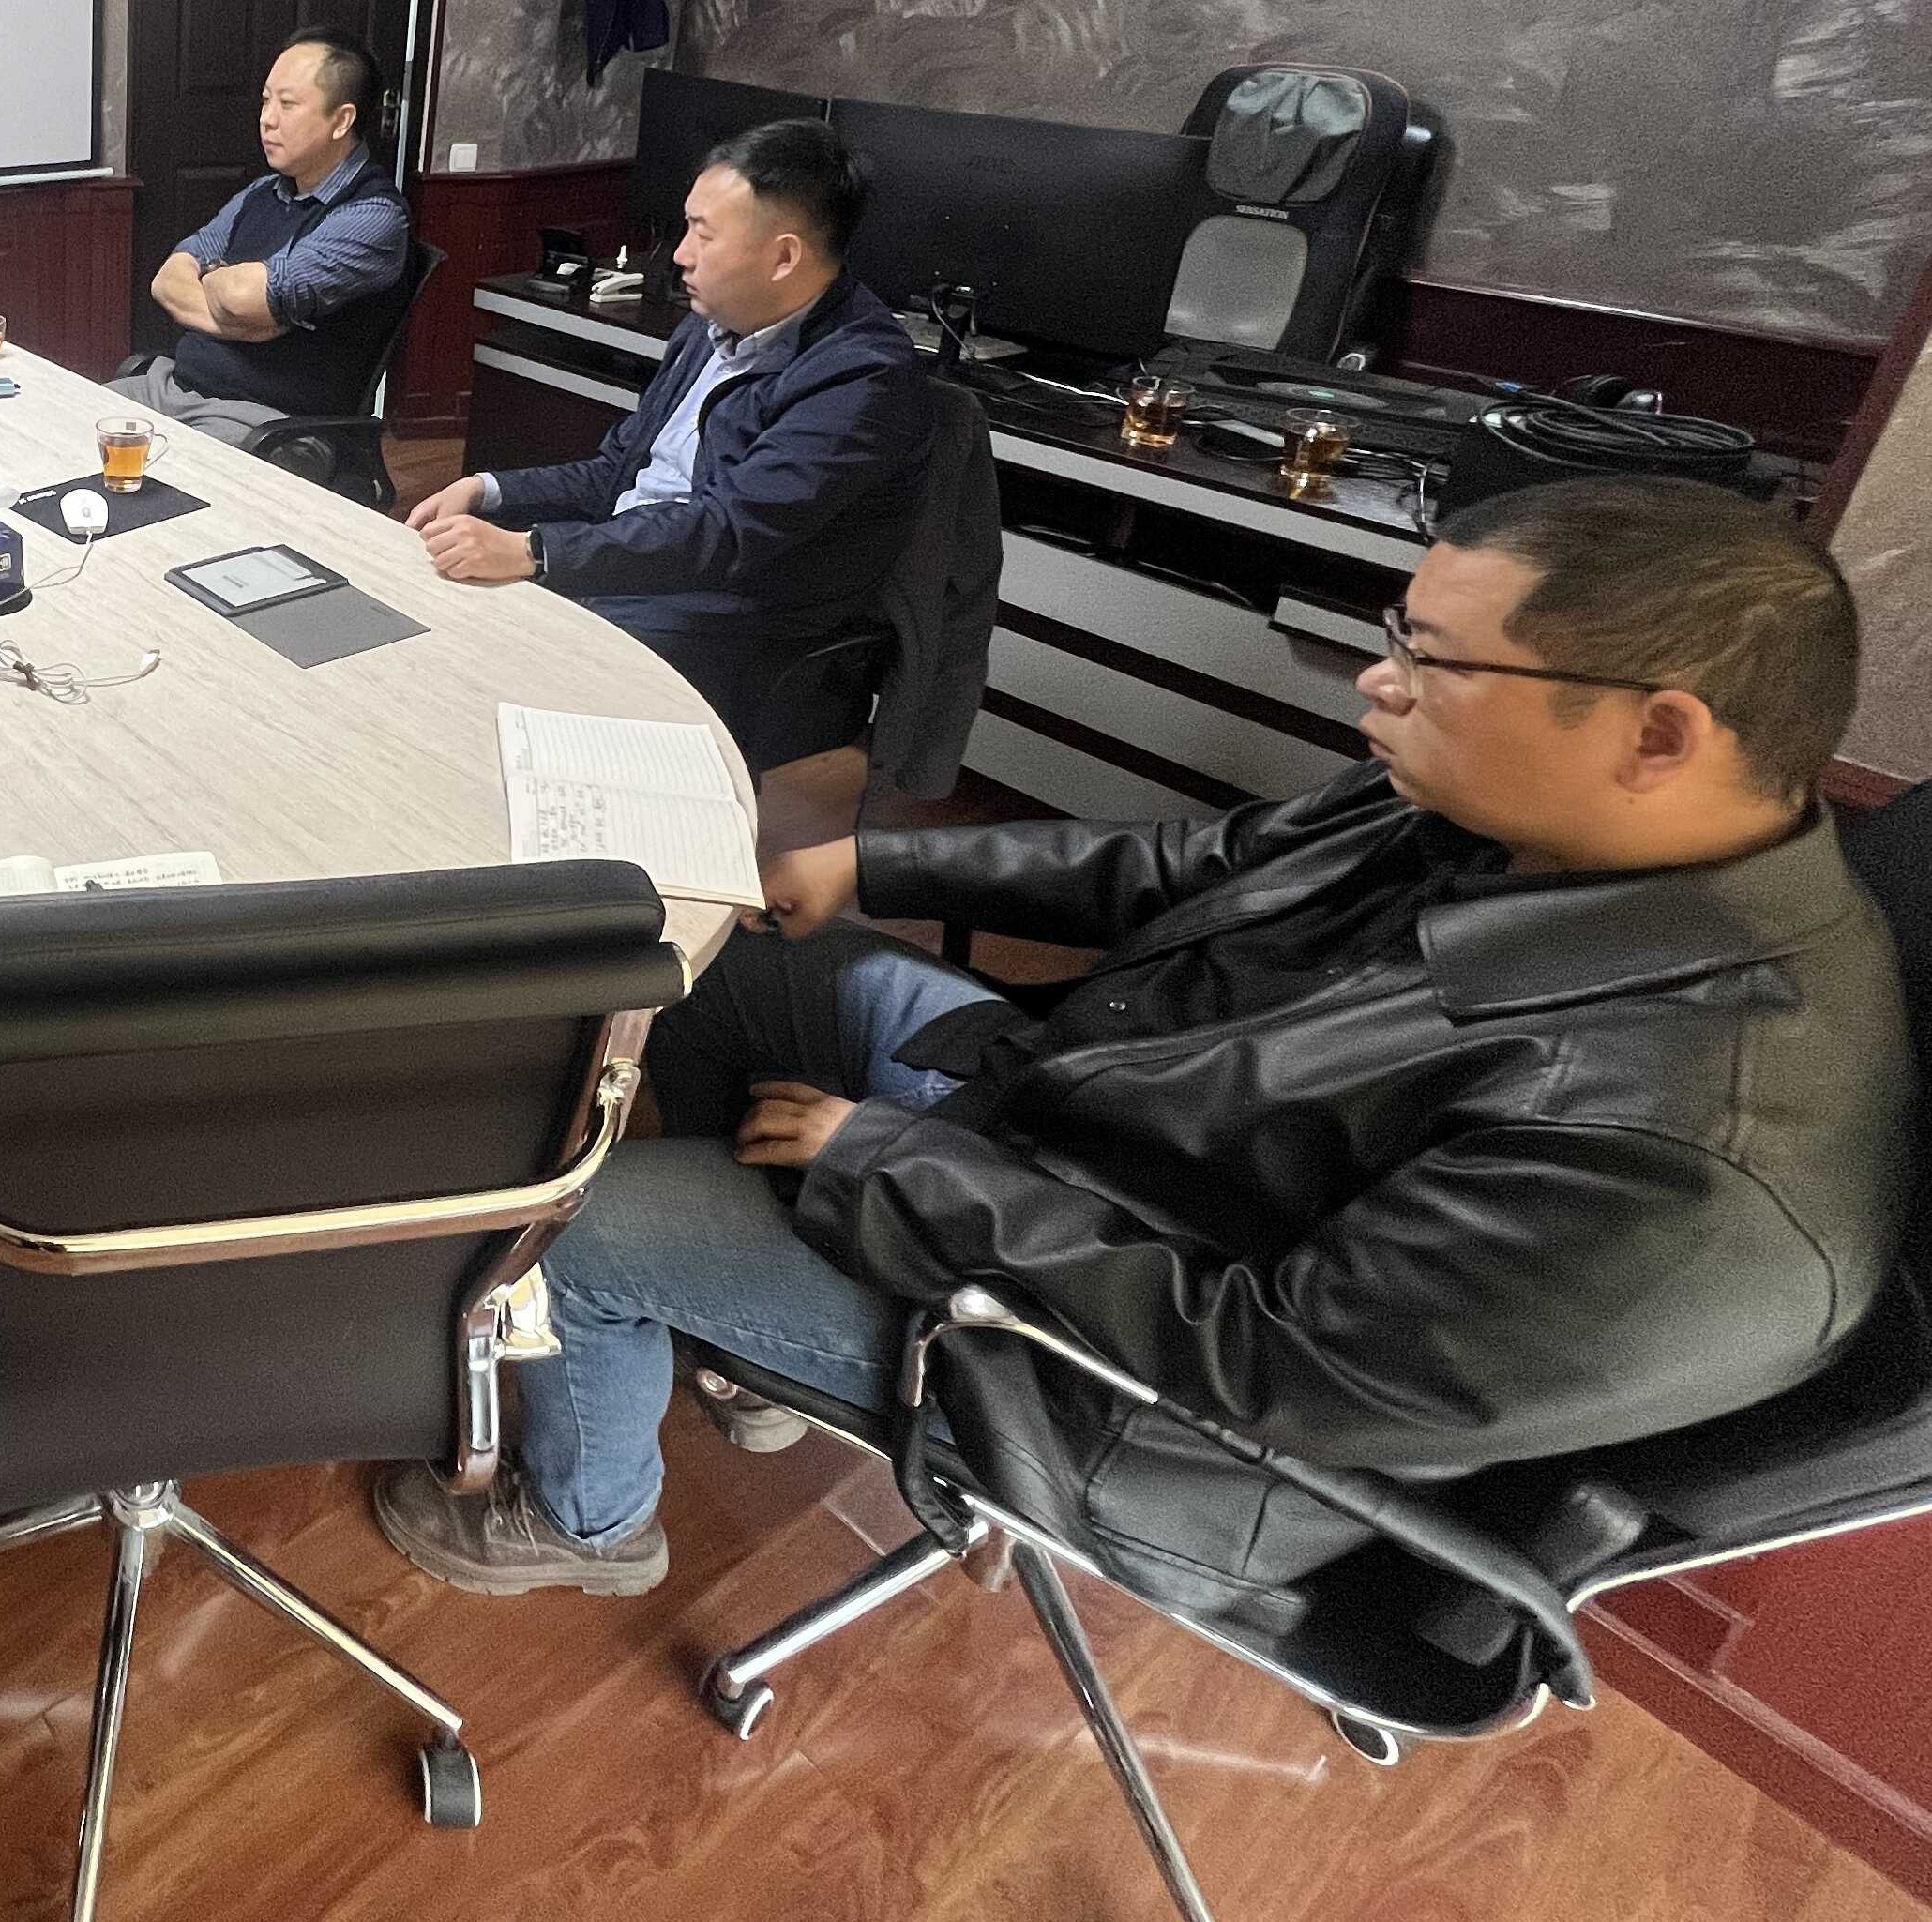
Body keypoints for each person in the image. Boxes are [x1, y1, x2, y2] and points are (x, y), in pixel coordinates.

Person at [373, 476, 1909, 1631]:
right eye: (1397, 637)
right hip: (1083, 1136)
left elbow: (1263, 1371)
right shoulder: (1518, 813)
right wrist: (873, 863)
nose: (1379, 682)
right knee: (732, 963)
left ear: (1658, 736)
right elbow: (1194, 862)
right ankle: (749, 1323)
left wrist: (888, 1165)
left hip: (1121, 1403)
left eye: (1434, 661)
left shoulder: (1675, 1159)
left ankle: (588, 1515)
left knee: (572, 1223)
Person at [406, 118, 927, 771]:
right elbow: (618, 472)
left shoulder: (861, 377)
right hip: (637, 572)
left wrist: (536, 552)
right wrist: (488, 490)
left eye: (703, 235)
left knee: (506, 681)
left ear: (784, 257)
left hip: (733, 619)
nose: (680, 255)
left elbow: (727, 532)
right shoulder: (712, 326)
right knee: (439, 625)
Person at [133, 37, 415, 446]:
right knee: (58, 427)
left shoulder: (373, 216)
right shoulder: (264, 191)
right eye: (266, 102)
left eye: (287, 104)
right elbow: (167, 281)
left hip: (266, 421)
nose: (267, 119)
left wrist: (215, 278)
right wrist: (247, 324)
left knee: (137, 477)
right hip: (174, 385)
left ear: (341, 121)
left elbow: (244, 297)